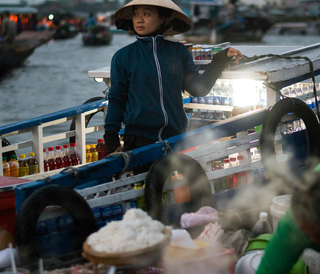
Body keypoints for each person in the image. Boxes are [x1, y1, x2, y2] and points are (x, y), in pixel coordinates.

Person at [103, 0, 244, 161]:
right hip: (139, 141)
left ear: (162, 18)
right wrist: (111, 138)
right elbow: (116, 100)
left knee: (176, 185)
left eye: (146, 14)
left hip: (176, 139)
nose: (139, 19)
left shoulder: (179, 52)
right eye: (136, 14)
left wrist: (219, 60)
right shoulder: (123, 57)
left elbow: (199, 89)